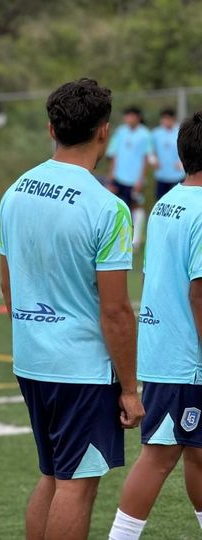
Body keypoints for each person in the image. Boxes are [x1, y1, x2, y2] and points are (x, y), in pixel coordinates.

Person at [0, 79, 145, 540]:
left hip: (32, 359)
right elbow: (117, 310)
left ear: (51, 128)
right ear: (104, 132)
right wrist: (129, 388)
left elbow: (7, 283)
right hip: (80, 367)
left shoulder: (16, 190)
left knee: (52, 475)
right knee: (76, 486)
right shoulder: (109, 207)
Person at [108, 112, 202, 540]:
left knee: (195, 452)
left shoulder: (168, 202)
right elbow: (199, 293)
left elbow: (152, 274)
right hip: (188, 357)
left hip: (164, 346)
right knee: (160, 455)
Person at [106, 106, 152, 249]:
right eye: (127, 116)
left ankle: (136, 240)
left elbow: (146, 158)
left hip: (135, 180)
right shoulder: (120, 132)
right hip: (119, 177)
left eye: (132, 116)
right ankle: (117, 237)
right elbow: (113, 154)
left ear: (138, 118)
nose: (129, 119)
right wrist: (111, 174)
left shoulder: (145, 134)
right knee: (117, 206)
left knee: (136, 206)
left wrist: (140, 179)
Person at [150, 108, 185, 201]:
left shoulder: (181, 131)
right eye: (164, 118)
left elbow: (187, 148)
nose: (166, 121)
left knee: (177, 200)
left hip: (177, 175)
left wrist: (182, 162)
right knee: (161, 200)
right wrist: (153, 160)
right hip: (161, 174)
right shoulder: (155, 133)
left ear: (173, 119)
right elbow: (150, 150)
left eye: (168, 118)